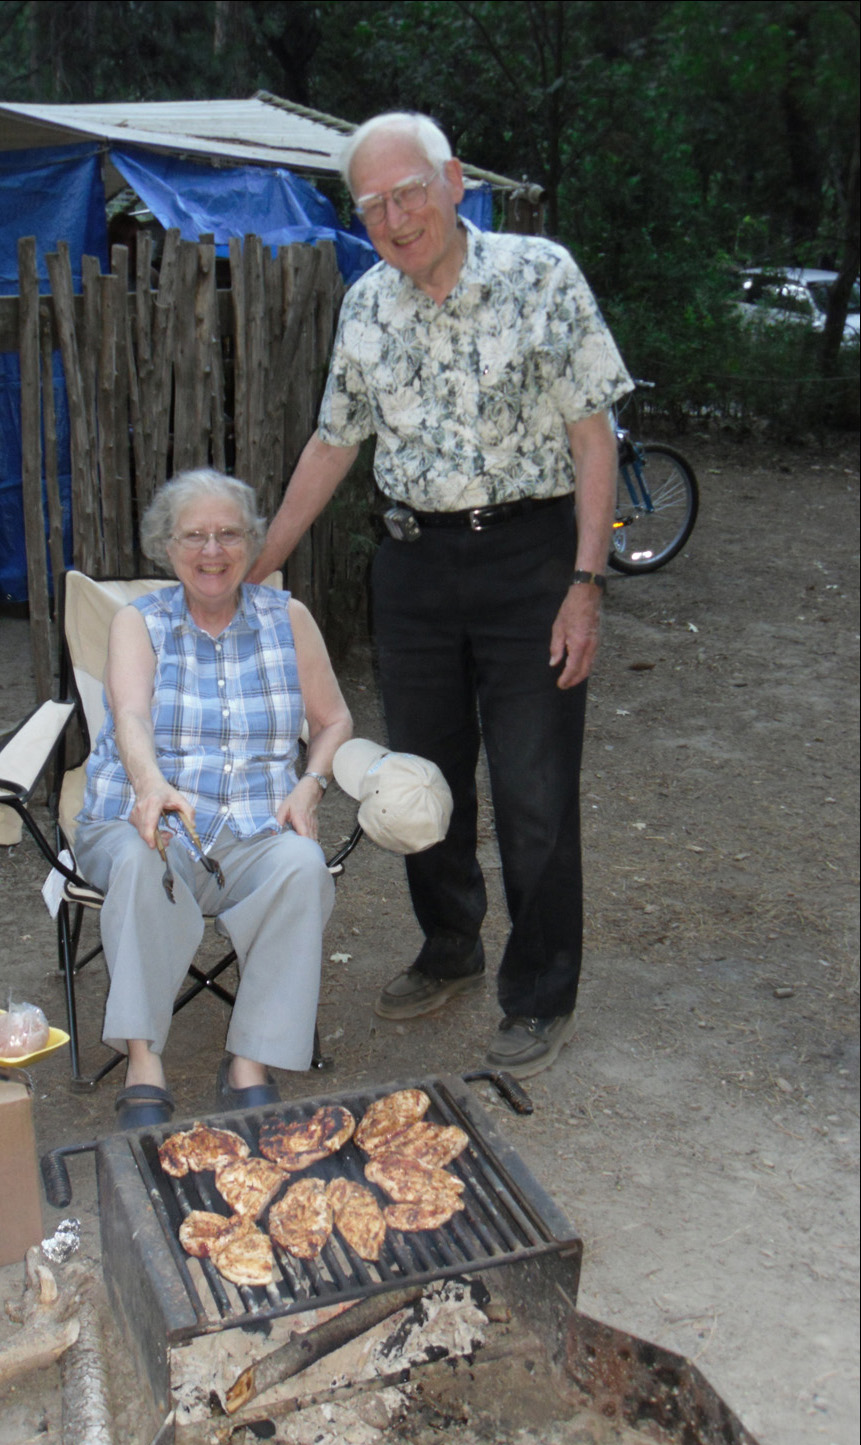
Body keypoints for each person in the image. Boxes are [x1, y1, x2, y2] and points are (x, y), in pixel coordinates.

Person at [248, 112, 634, 1080]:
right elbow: (332, 445)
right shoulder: (367, 306)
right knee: (421, 779)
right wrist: (262, 562)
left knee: (535, 786)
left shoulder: (542, 276)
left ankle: (542, 989)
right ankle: (450, 943)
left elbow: (595, 439)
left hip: (532, 561)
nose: (393, 216)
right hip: (414, 567)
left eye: (408, 191)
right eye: (372, 204)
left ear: (454, 180)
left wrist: (586, 583)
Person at [72, 469, 353, 1128]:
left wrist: (310, 784)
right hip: (144, 820)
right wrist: (151, 785)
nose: (211, 551)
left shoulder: (289, 620)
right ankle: (144, 1063)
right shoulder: (138, 624)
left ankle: (249, 1062)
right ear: (166, 548)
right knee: (141, 863)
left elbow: (335, 720)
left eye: (228, 534)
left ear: (251, 543)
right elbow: (131, 716)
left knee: (303, 867)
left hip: (256, 828)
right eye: (193, 536)